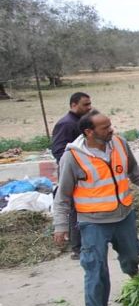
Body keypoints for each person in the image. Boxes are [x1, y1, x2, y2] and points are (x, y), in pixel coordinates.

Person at [53, 110, 139, 306]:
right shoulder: (72, 157)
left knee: (132, 252)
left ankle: (132, 269)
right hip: (93, 222)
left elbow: (134, 171)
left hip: (124, 215)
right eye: (105, 128)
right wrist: (61, 225)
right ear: (88, 132)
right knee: (95, 268)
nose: (111, 130)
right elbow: (62, 196)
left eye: (110, 125)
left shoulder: (120, 144)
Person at [50, 91, 93, 259]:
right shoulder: (66, 124)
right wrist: (75, 167)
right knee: (75, 210)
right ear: (73, 105)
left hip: (85, 174)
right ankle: (77, 249)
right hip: (73, 174)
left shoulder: (82, 122)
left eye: (90, 104)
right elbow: (59, 150)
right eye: (85, 105)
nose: (89, 107)